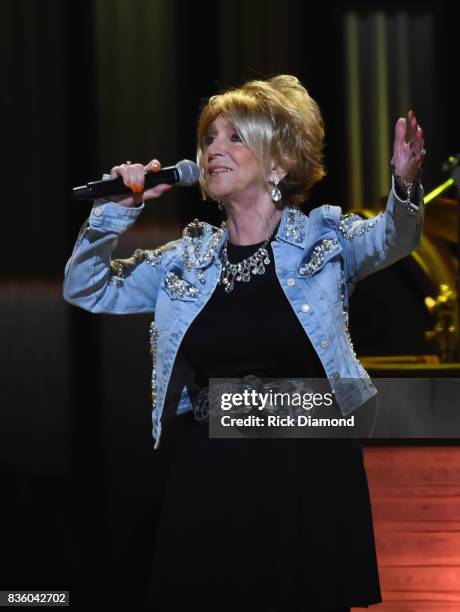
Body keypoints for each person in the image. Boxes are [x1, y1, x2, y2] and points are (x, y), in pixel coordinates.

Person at [63, 75, 425, 612]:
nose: (214, 149)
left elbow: (394, 238)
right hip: (213, 470)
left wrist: (404, 186)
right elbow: (87, 287)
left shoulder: (323, 241)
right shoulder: (184, 261)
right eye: (210, 138)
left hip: (306, 468)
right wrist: (118, 209)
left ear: (277, 164)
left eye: (235, 138)